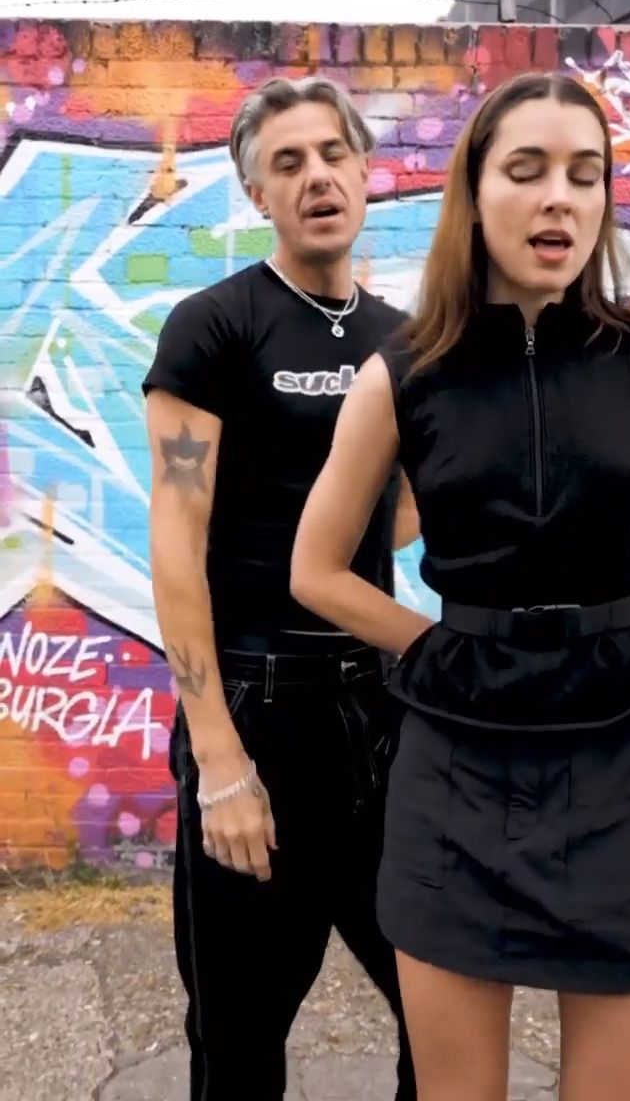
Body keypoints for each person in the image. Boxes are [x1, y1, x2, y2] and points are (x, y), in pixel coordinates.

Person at [290, 70, 630, 1101]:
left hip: (627, 766)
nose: (558, 197)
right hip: (461, 771)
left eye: (585, 173)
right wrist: (434, 646)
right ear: (475, 192)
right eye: (526, 170)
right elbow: (315, 569)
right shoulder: (404, 372)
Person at [142, 75, 418, 1101]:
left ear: (366, 171)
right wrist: (219, 759)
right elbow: (176, 547)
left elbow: (404, 513)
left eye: (333, 154)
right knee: (238, 1039)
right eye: (288, 163)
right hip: (255, 722)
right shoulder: (213, 327)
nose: (317, 178)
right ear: (257, 193)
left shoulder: (407, 341)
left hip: (382, 725)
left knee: (443, 1012)